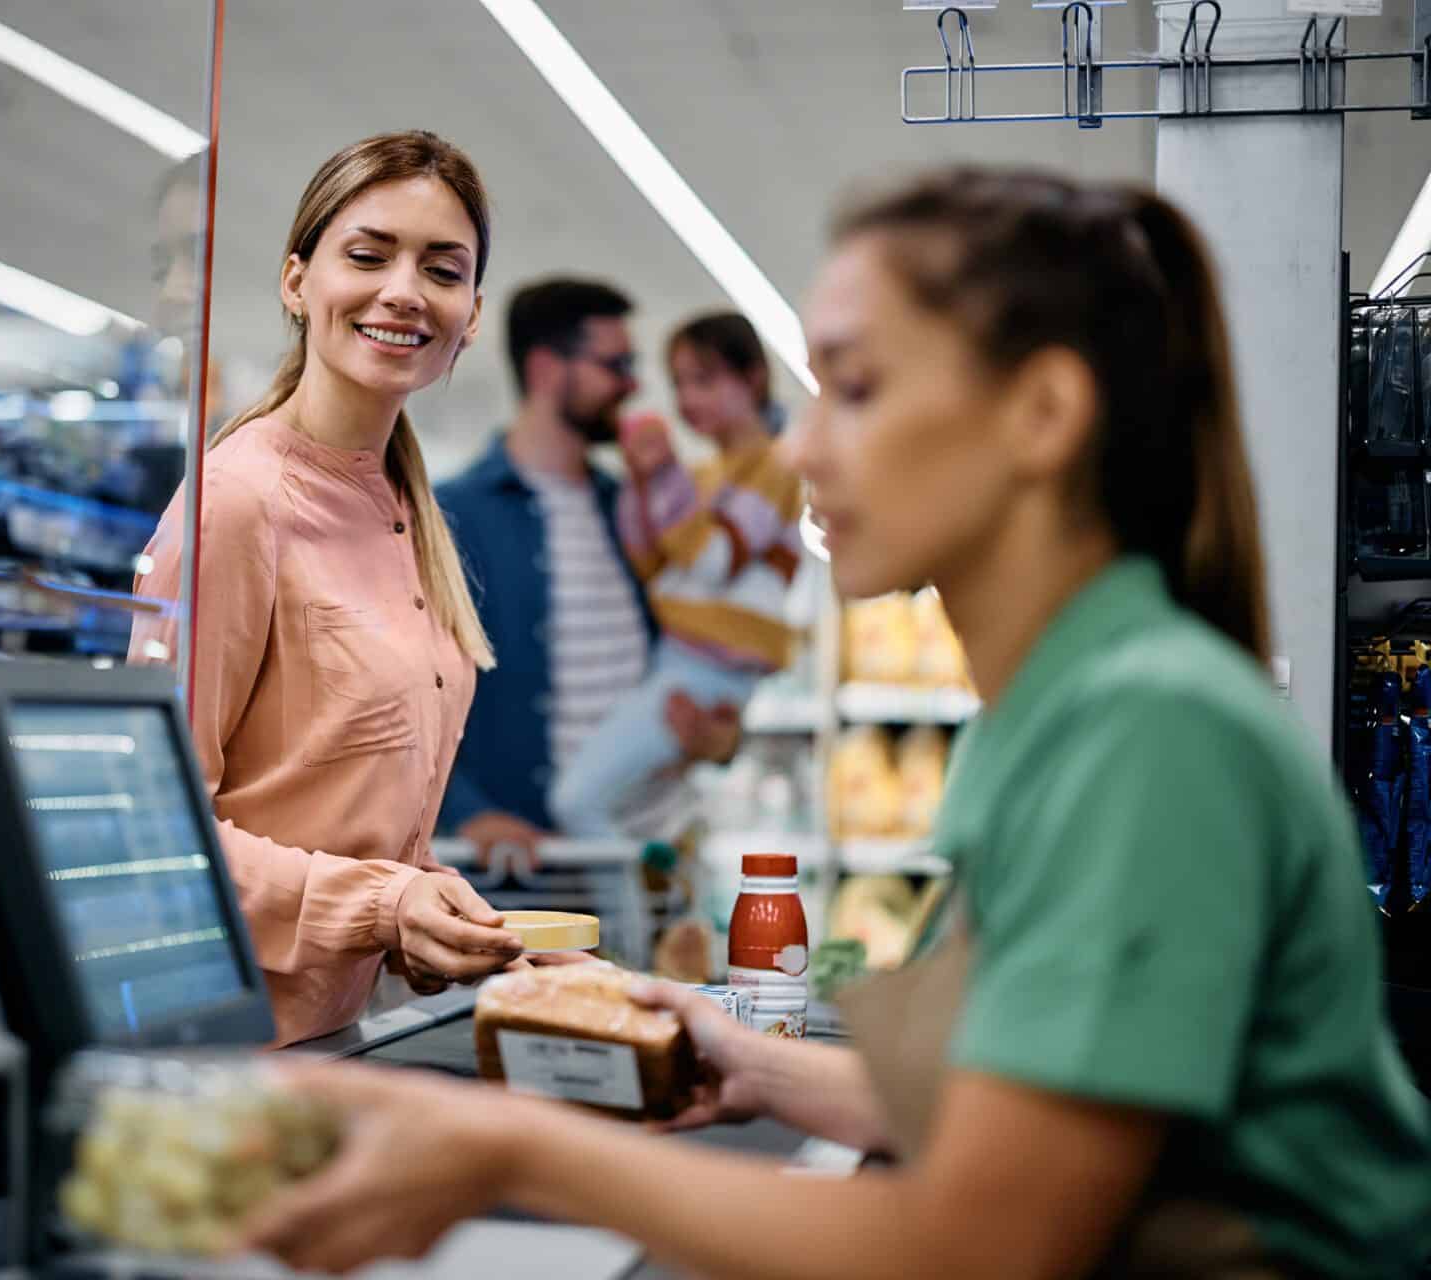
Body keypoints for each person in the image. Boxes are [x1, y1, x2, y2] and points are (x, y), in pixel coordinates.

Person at [239, 169, 1431, 1276]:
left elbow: (977, 1242)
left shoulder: (1147, 729)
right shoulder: (1073, 705)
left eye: (855, 389)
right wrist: (749, 1058)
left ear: (1043, 412)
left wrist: (507, 1151)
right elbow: (1022, 1099)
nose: (803, 445)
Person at [131, 131, 523, 1047]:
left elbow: (340, 813)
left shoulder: (404, 508)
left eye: (441, 269)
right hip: (219, 1054)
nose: (403, 292)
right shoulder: (237, 503)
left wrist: (436, 920)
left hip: (336, 1047)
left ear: (470, 312)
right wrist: (383, 905)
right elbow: (154, 834)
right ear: (296, 281)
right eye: (368, 255)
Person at [437, 281, 740, 859]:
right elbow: (399, 704)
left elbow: (692, 654)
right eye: (616, 364)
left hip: (654, 863)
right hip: (532, 881)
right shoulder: (451, 517)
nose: (632, 385)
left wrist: (720, 738)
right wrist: (465, 814)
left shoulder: (633, 508)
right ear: (548, 369)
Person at [550, 311, 805, 836]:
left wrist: (663, 477)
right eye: (680, 384)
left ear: (753, 376)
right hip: (682, 663)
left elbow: (712, 561)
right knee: (609, 804)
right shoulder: (705, 476)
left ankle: (626, 917)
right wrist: (644, 485)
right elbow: (652, 563)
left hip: (706, 670)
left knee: (578, 802)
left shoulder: (776, 468)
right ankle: (636, 904)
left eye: (705, 380)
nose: (688, 399)